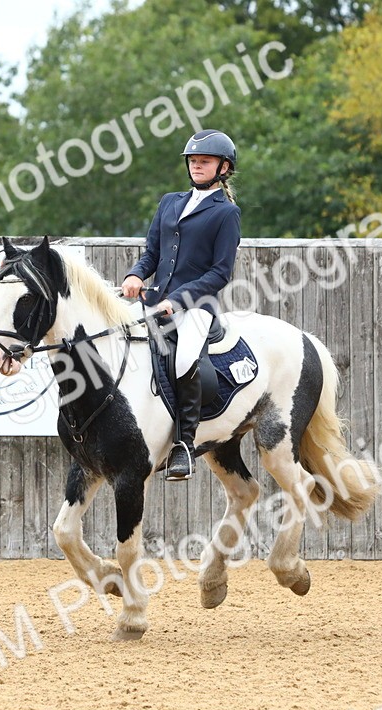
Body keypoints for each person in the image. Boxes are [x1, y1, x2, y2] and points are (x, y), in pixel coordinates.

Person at [122, 129, 241, 481]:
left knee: (186, 358)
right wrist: (135, 276)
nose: (197, 165)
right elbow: (152, 254)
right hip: (156, 300)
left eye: (205, 161)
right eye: (193, 161)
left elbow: (220, 272)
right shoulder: (170, 202)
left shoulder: (226, 213)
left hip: (196, 306)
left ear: (224, 167)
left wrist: (179, 300)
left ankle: (183, 445)